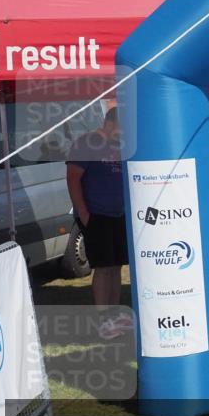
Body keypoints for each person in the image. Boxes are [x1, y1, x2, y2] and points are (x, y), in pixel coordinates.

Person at [66, 108, 131, 335]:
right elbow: (73, 179)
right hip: (96, 215)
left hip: (119, 214)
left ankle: (114, 315)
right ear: (111, 123)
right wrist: (85, 215)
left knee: (116, 267)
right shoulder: (86, 143)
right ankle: (104, 319)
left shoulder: (119, 146)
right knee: (102, 268)